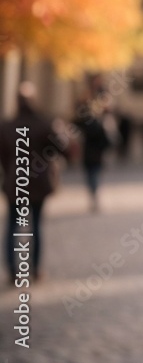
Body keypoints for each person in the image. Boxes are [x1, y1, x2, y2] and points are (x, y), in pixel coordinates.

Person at [0, 82, 62, 284]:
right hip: (37, 183)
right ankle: (35, 268)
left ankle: (12, 269)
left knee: (13, 227)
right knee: (34, 225)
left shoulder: (7, 127)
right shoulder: (44, 124)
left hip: (15, 182)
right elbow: (58, 149)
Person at [73, 99, 115, 213]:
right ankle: (94, 194)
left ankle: (93, 194)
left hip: (88, 155)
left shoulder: (85, 126)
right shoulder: (99, 125)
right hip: (96, 155)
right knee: (94, 176)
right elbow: (107, 141)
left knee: (90, 176)